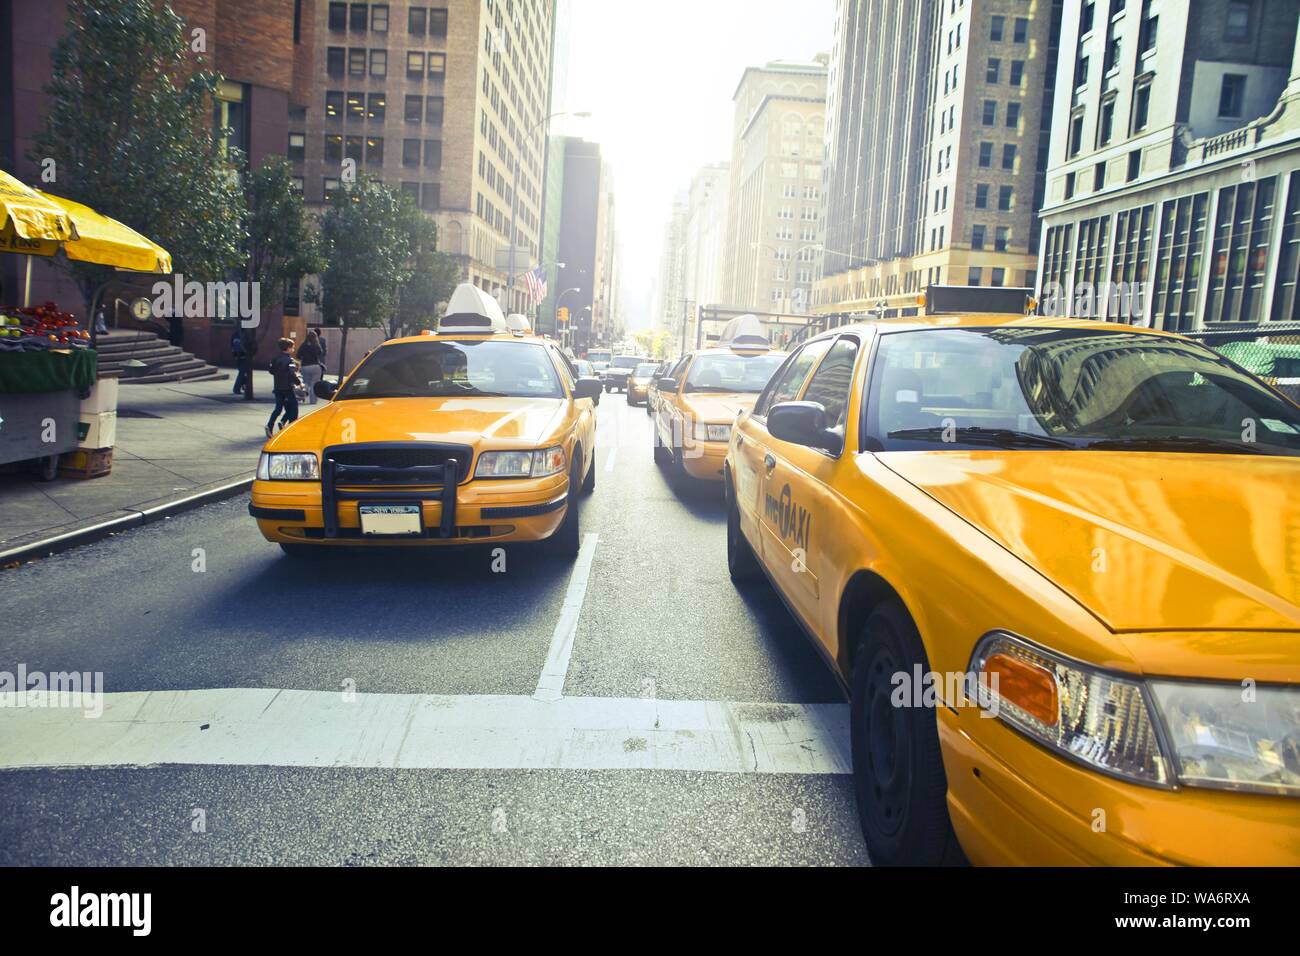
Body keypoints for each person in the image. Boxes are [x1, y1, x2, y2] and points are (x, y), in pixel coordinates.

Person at [266, 338, 301, 437]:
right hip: (288, 387)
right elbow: (291, 373)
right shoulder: (290, 360)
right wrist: (298, 382)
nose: (293, 349)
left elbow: (271, 371)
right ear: (288, 348)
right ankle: (291, 428)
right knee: (294, 407)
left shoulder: (275, 359)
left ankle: (270, 425)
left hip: (277, 386)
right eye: (292, 347)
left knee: (278, 408)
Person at [297, 330, 325, 404]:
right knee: (314, 384)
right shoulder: (316, 345)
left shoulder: (303, 345)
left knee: (306, 382)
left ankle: (302, 393)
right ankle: (313, 401)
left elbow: (298, 355)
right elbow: (321, 353)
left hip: (305, 366)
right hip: (315, 366)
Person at [236, 328, 255, 400]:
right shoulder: (239, 337)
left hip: (242, 358)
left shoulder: (241, 336)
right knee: (242, 373)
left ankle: (241, 387)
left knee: (243, 374)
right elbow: (238, 348)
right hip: (242, 358)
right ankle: (237, 388)